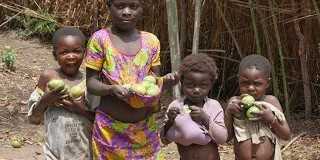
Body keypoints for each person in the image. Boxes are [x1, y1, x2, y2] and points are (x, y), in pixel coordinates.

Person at [85, 0, 177, 159]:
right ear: (109, 7)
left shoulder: (151, 41)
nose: (126, 12)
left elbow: (153, 81)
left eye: (133, 7)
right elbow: (91, 83)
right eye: (120, 6)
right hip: (109, 131)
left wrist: (165, 82)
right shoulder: (100, 39)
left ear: (142, 9)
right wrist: (111, 89)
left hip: (145, 131)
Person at [27, 27, 94, 160]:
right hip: (53, 154)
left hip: (84, 154)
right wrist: (45, 100)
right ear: (55, 55)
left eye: (76, 51)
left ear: (84, 53)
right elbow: (33, 119)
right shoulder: (48, 77)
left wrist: (78, 109)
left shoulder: (89, 82)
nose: (71, 56)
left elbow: (99, 120)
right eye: (64, 52)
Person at [161, 53, 228, 160]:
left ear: (211, 84)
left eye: (203, 85)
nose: (196, 90)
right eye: (190, 85)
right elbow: (164, 140)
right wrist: (170, 120)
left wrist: (205, 118)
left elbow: (222, 138)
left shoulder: (213, 106)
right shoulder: (175, 106)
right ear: (182, 82)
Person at [225, 54, 291, 160]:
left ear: (267, 83)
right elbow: (226, 138)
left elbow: (286, 135)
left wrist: (271, 119)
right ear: (239, 80)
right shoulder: (234, 103)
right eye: (245, 83)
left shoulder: (270, 102)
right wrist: (228, 113)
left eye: (257, 84)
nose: (251, 88)